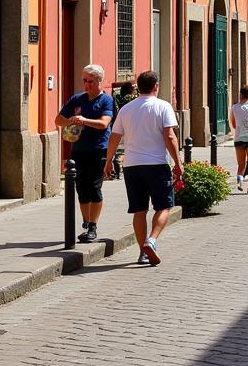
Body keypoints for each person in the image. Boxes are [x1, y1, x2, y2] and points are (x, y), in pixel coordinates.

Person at [104, 70, 182, 266]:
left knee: (139, 210)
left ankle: (142, 252)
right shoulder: (163, 106)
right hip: (156, 164)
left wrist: (108, 161)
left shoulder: (126, 109)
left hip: (131, 165)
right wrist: (178, 163)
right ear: (156, 86)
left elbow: (114, 137)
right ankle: (152, 240)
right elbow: (169, 136)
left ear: (139, 87)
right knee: (164, 206)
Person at [55, 63, 115, 243]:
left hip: (98, 150)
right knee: (81, 189)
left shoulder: (106, 100)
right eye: (84, 80)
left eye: (90, 81)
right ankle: (86, 222)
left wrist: (84, 120)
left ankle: (92, 226)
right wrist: (70, 120)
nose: (86, 84)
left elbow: (104, 123)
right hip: (78, 150)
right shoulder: (77, 99)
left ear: (99, 81)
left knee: (94, 188)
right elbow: (58, 120)